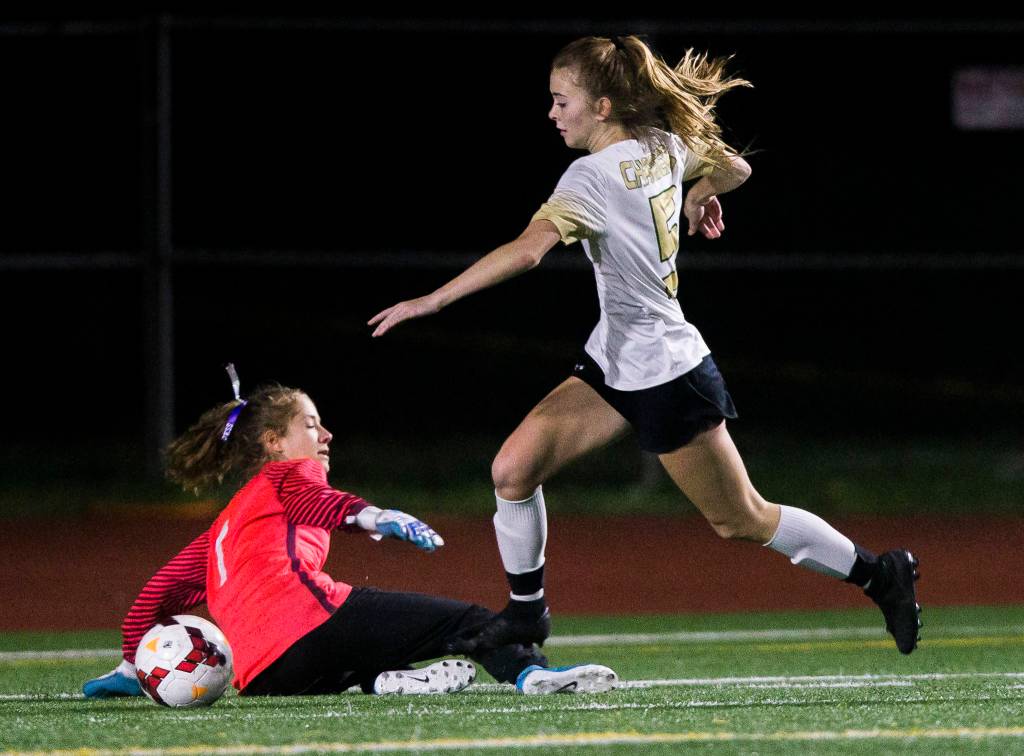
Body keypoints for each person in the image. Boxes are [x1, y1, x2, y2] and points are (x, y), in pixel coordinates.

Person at [367, 35, 921, 656]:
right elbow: (738, 167)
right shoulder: (663, 145)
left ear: (602, 106)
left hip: (664, 369)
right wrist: (701, 190)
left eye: (561, 100)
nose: (552, 113)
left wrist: (431, 300)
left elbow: (527, 250)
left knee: (740, 518)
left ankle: (880, 573)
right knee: (513, 470)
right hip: (616, 356)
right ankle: (527, 616)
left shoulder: (592, 174)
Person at [83, 368, 617, 698]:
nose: (325, 434)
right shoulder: (290, 472)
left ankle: (384, 680)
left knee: (363, 647)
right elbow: (314, 500)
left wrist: (132, 668)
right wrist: (374, 516)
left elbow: (152, 597)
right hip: (308, 625)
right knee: (470, 622)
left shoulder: (225, 527)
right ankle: (532, 676)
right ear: (273, 441)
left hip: (263, 676)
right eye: (312, 424)